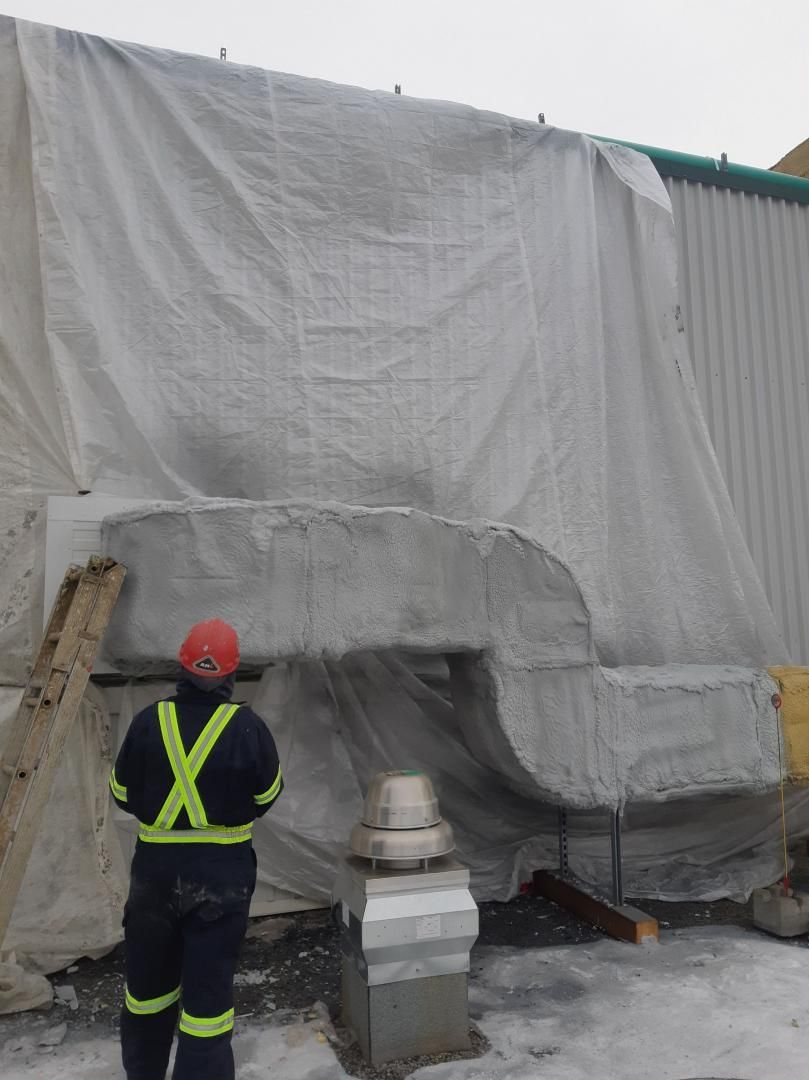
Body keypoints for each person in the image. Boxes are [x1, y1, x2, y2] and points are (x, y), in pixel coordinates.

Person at [109, 618, 283, 1080]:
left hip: (154, 879)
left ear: (182, 665)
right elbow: (266, 799)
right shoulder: (248, 728)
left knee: (147, 994)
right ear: (230, 673)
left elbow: (122, 794)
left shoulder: (149, 722)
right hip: (220, 881)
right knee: (206, 1004)